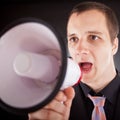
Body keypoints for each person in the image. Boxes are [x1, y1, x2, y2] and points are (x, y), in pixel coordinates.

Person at [6, 1, 119, 120]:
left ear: (114, 45)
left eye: (93, 37)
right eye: (74, 38)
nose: (79, 49)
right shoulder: (47, 102)